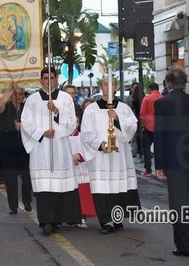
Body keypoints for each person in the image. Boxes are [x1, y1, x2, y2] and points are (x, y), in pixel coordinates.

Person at [153, 68, 189, 257]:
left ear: (167, 84)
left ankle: (186, 245)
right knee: (182, 201)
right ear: (185, 84)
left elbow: (159, 135)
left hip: (174, 160)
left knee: (178, 203)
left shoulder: (162, 104)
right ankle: (183, 244)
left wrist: (158, 164)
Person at [21, 67, 81, 236]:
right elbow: (26, 123)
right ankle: (46, 222)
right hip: (40, 148)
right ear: (41, 80)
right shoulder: (32, 100)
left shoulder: (65, 99)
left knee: (58, 185)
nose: (49, 81)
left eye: (52, 78)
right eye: (45, 78)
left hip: (60, 147)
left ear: (56, 80)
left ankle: (56, 221)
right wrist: (42, 133)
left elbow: (72, 123)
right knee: (44, 187)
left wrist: (56, 111)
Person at [81, 75, 140, 234]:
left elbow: (132, 127)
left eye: (111, 84)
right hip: (101, 155)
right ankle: (106, 221)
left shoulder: (123, 108)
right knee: (102, 188)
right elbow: (86, 133)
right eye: (105, 84)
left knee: (117, 187)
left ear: (115, 87)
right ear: (102, 87)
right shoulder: (91, 109)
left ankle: (117, 218)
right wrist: (99, 145)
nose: (108, 87)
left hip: (119, 156)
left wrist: (117, 118)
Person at [0, 85, 32, 215]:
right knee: (10, 178)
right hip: (7, 146)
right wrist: (12, 88)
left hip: (24, 146)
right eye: (15, 94)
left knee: (27, 176)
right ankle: (13, 206)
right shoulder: (5, 105)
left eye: (20, 94)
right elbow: (0, 104)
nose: (18, 97)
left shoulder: (27, 107)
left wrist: (23, 127)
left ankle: (27, 200)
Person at [68, 105, 96, 228]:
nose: (74, 124)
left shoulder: (82, 136)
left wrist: (79, 156)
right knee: (70, 193)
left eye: (76, 121)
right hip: (68, 170)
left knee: (82, 194)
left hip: (81, 168)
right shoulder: (62, 137)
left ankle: (82, 216)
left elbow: (89, 151)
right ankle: (70, 217)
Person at [139, 81, 163, 177]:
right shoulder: (162, 98)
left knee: (147, 149)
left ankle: (148, 169)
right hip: (160, 125)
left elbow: (142, 114)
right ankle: (160, 169)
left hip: (148, 126)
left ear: (150, 89)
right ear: (157, 89)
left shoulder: (147, 98)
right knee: (159, 149)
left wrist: (141, 126)